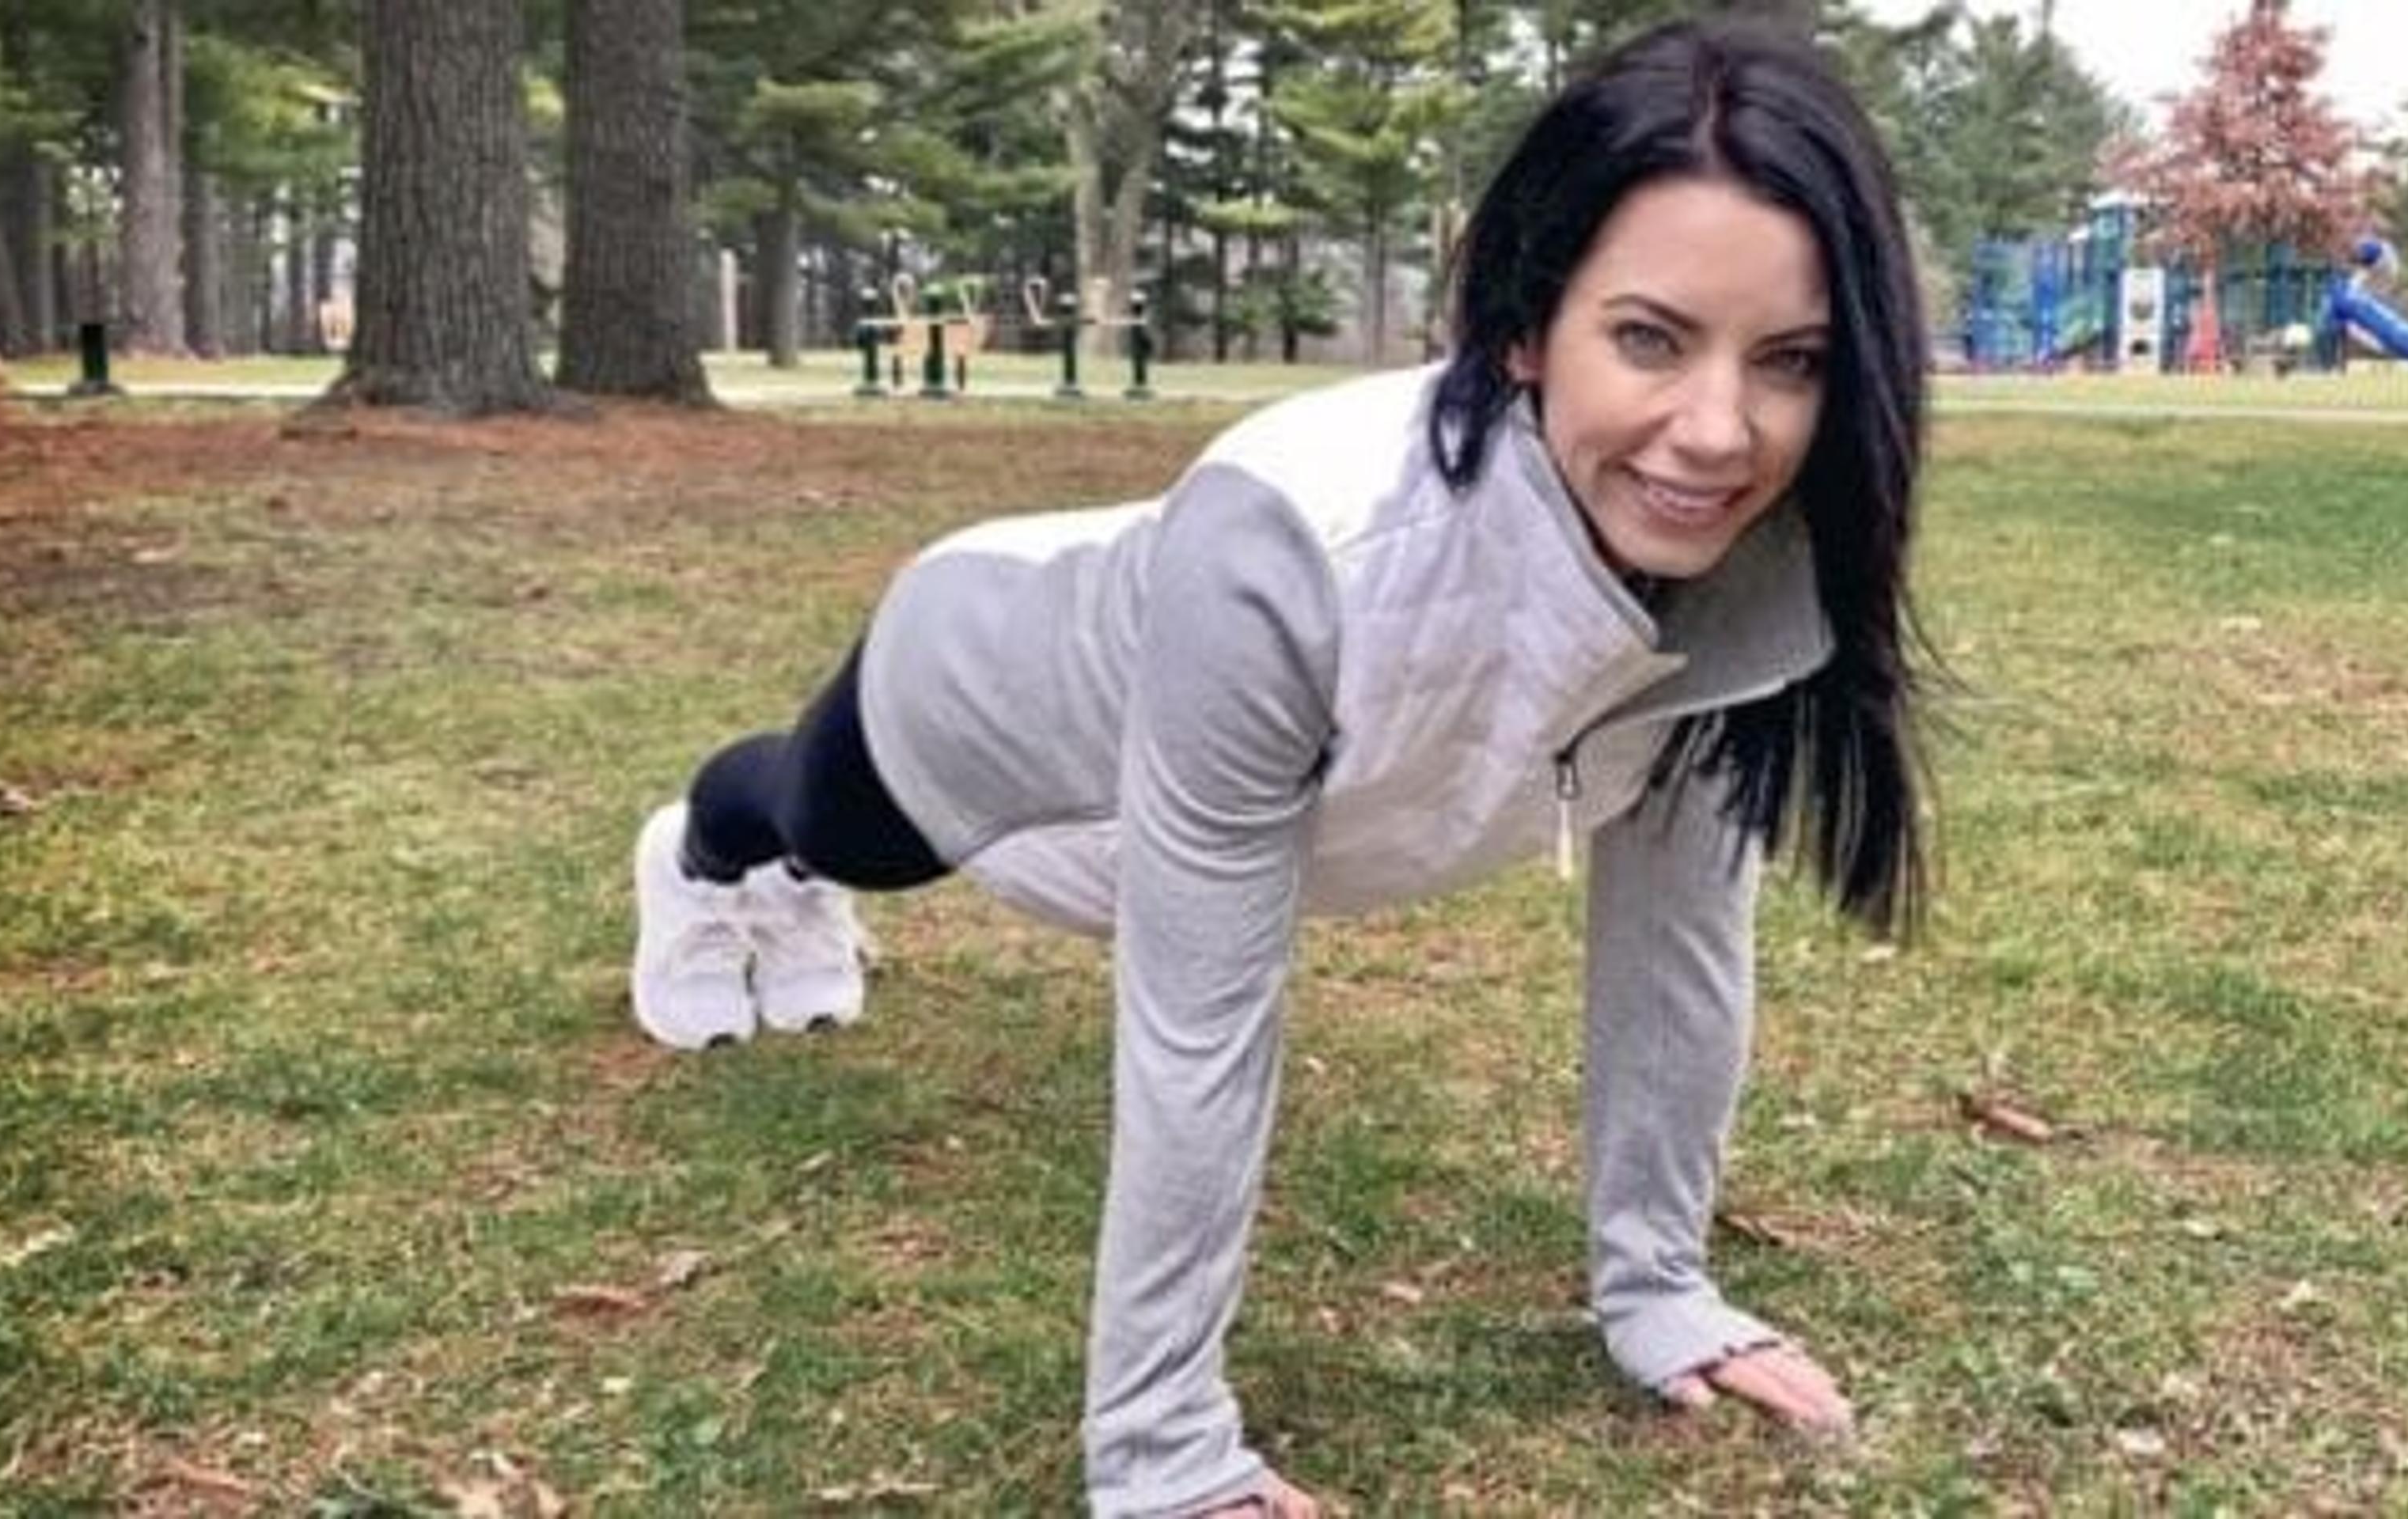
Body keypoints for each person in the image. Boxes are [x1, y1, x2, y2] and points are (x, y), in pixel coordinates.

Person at [628, 17, 1932, 1515]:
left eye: (1790, 361)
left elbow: (1680, 945)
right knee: (819, 816)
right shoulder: (1295, 553)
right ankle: (702, 857)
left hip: (1183, 702)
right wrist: (1165, 1453)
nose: (1718, 431)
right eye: (1648, 337)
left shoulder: (1766, 571)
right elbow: (1202, 1029)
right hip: (993, 702)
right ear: (1524, 325)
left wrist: (1660, 1290)